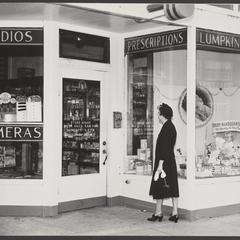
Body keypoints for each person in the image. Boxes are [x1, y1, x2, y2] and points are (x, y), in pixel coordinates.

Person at [148, 103, 179, 223]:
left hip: (164, 163)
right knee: (171, 186)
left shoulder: (167, 128)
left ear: (163, 115)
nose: (157, 116)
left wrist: (160, 165)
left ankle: (158, 213)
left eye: (158, 114)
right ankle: (174, 213)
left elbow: (164, 148)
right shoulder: (170, 126)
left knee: (159, 186)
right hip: (169, 161)